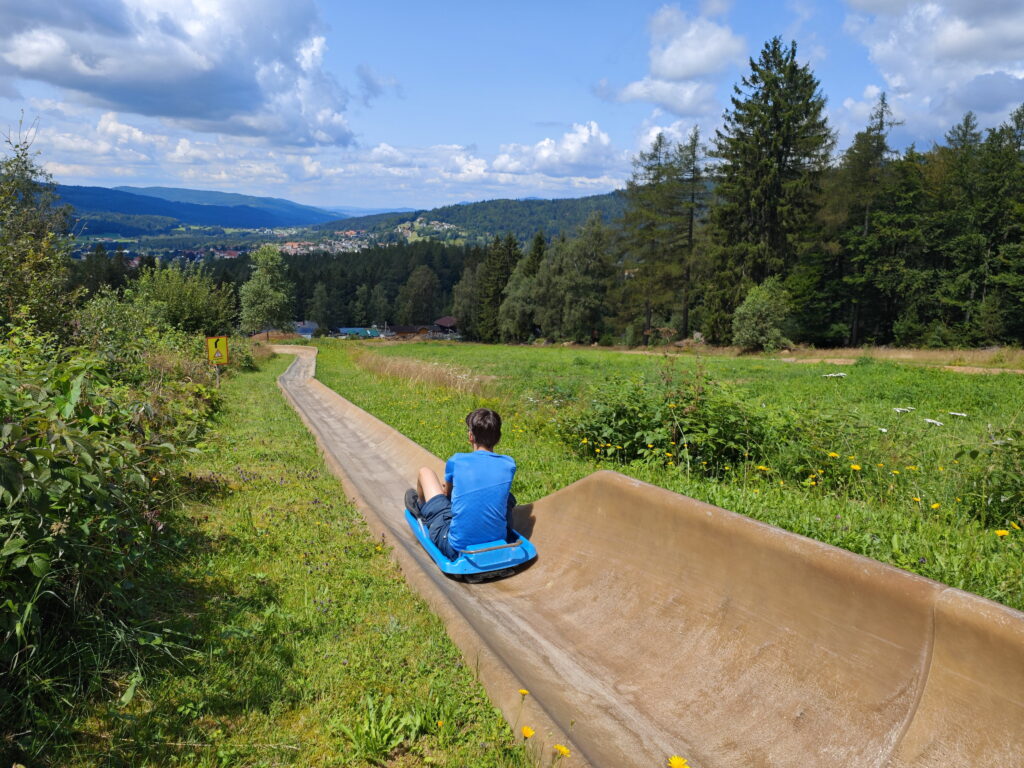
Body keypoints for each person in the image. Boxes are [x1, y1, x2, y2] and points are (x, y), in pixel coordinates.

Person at [405, 408, 517, 560]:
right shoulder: (509, 464)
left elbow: (448, 496)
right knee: (507, 497)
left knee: (425, 472)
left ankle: (421, 506)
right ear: (498, 437)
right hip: (498, 540)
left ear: (471, 436)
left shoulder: (457, 461)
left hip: (456, 547)